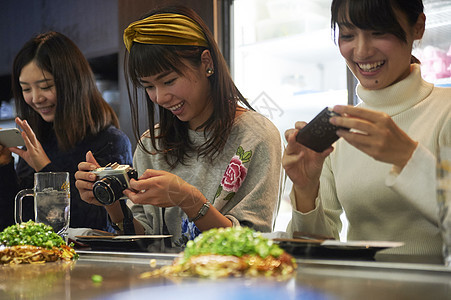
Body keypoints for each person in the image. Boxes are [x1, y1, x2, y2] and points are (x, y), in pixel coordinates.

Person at [75, 5, 282, 246]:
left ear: (206, 62)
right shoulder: (152, 144)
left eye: (169, 81)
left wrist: (189, 199)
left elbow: (253, 244)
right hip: (161, 281)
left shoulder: (256, 136)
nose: (160, 98)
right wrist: (110, 201)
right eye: (149, 86)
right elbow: (146, 240)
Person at [283, 0, 451, 257]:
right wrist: (305, 191)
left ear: (418, 27)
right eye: (348, 35)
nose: (361, 52)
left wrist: (407, 158)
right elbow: (317, 255)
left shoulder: (445, 110)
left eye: (379, 32)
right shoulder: (339, 128)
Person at [0, 31, 133, 231]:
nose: (36, 98)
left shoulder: (111, 142)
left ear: (72, 83)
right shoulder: (39, 140)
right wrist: (4, 166)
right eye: (26, 89)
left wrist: (45, 169)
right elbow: (18, 224)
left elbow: (99, 227)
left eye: (45, 86)